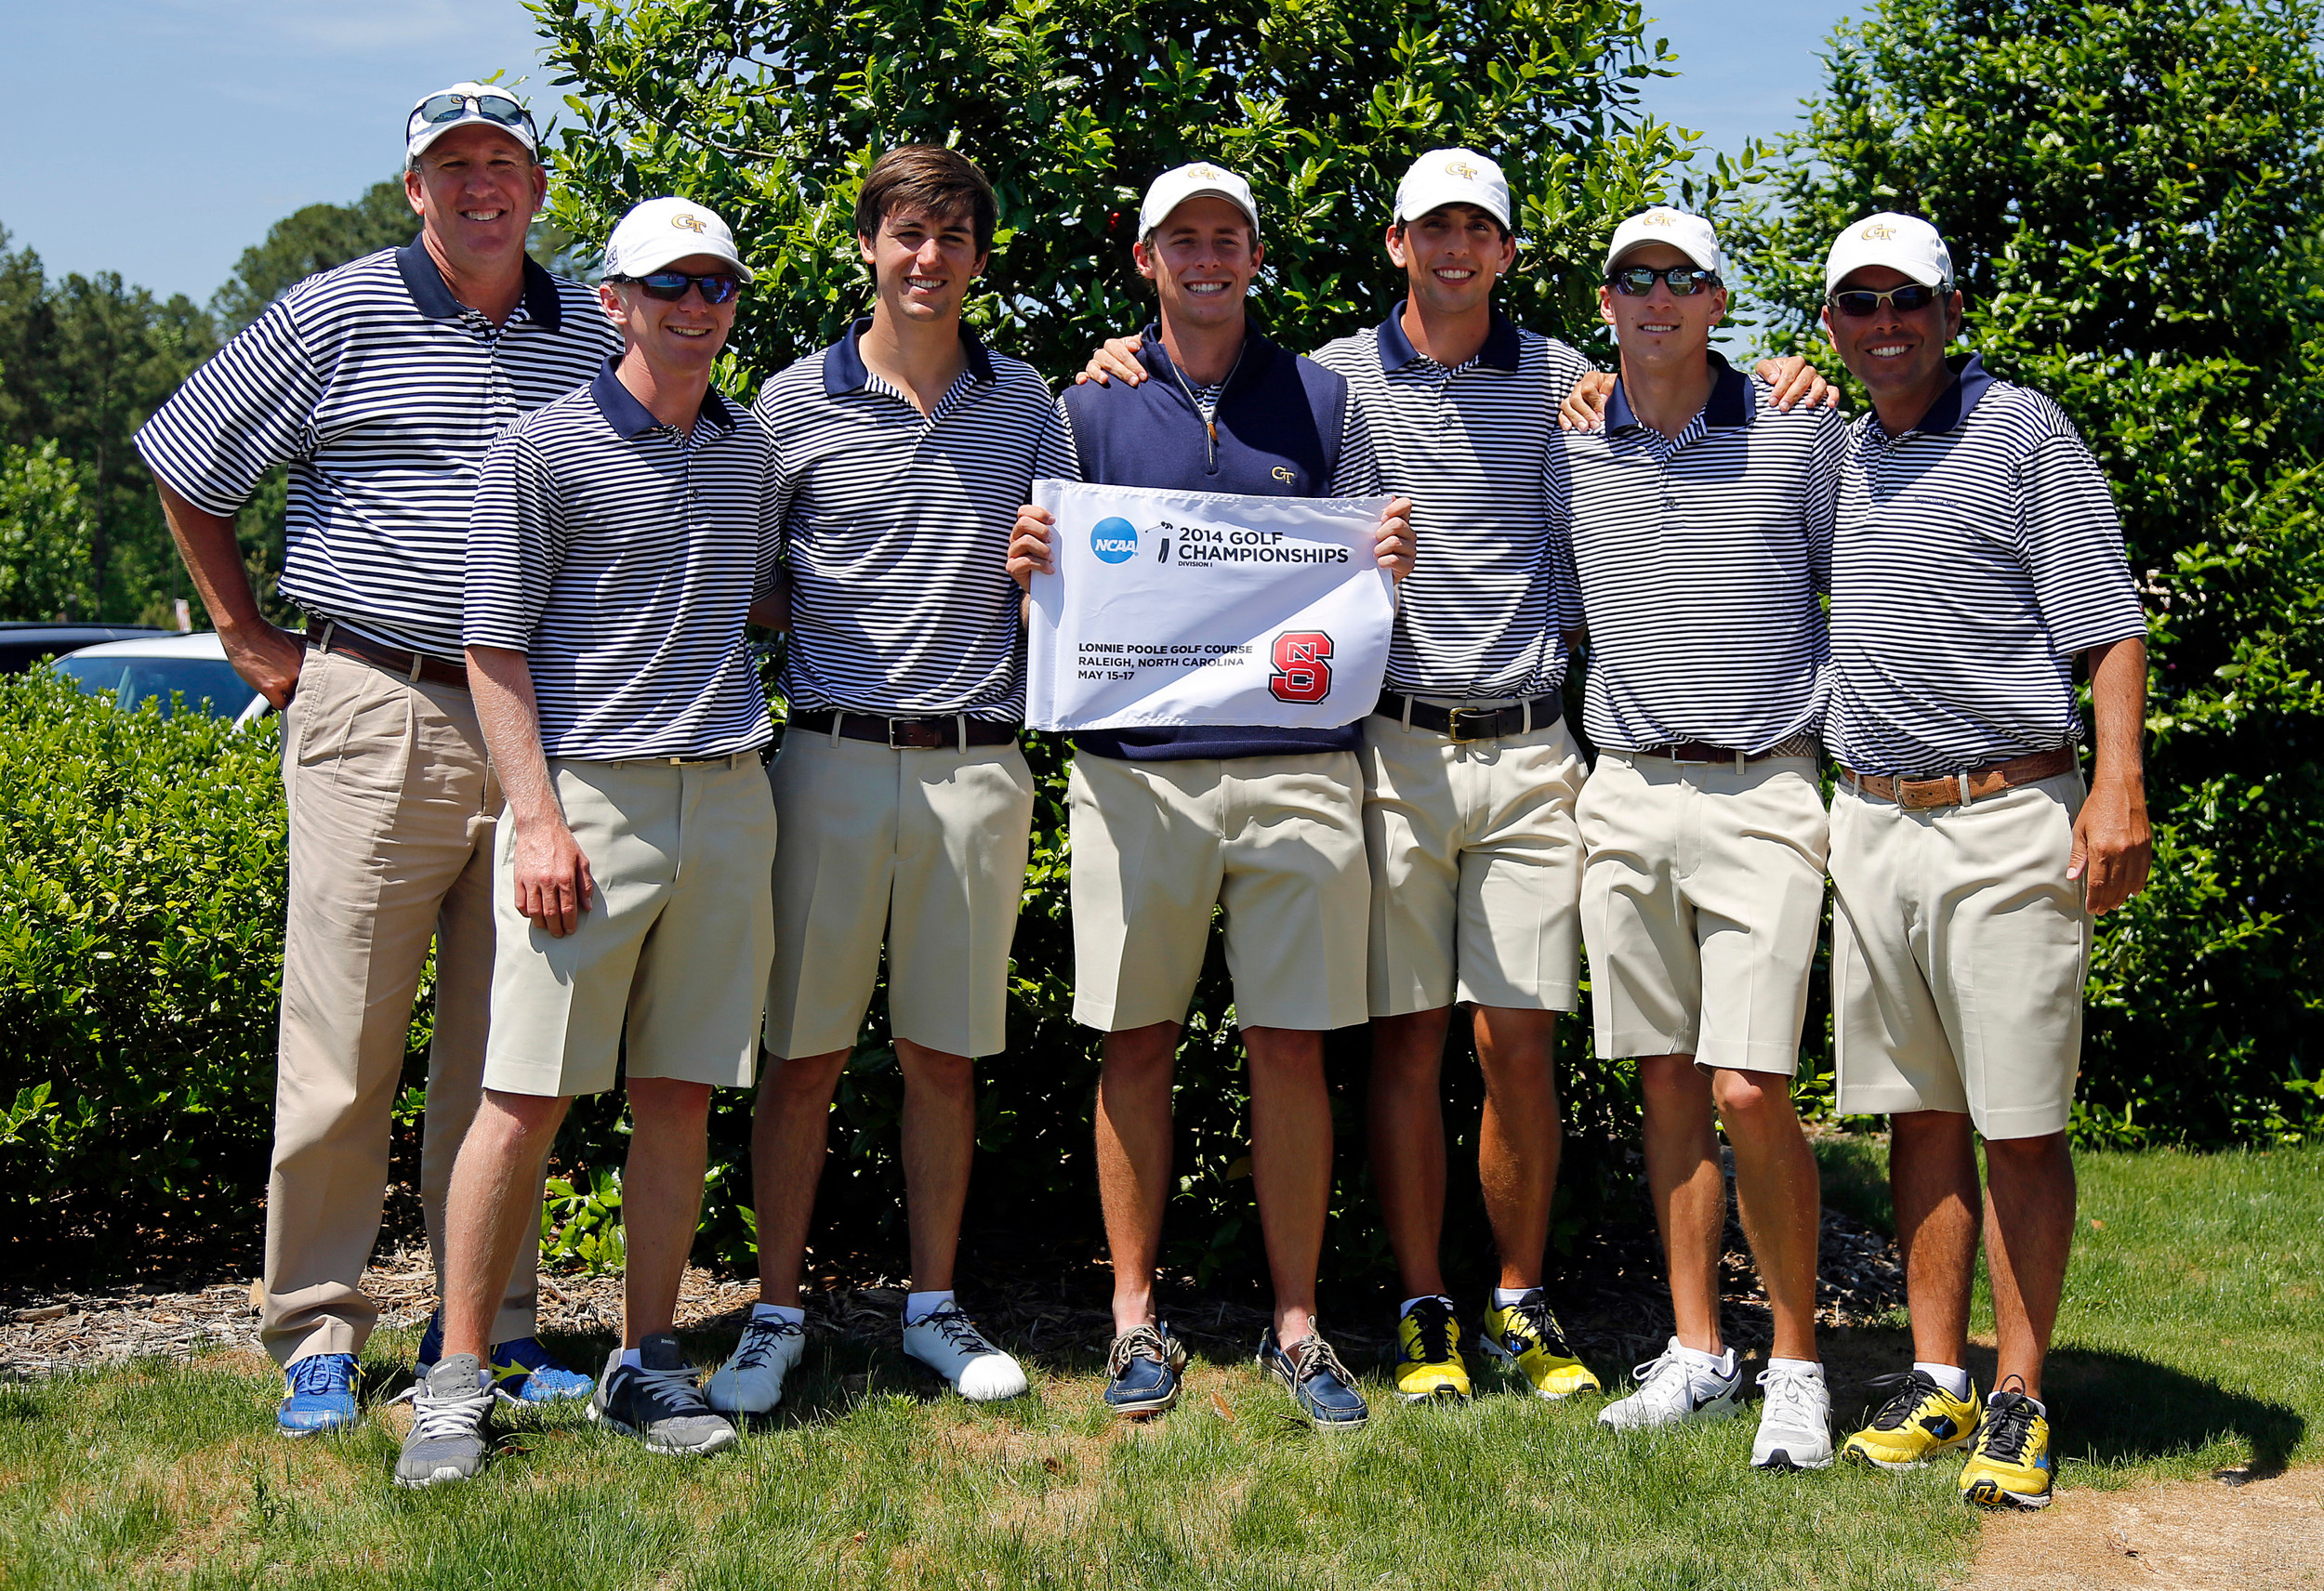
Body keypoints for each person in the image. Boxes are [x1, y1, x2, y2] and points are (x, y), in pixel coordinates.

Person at [1076, 157, 1834, 1404]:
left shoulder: (1563, 385)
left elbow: (1678, 393)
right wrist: (1126, 354)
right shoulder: (1331, 382)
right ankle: (1426, 1307)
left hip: (1537, 751)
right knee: (1408, 1045)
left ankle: (1518, 1303)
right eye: (1435, 228)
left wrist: (1784, 377)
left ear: (1511, 253)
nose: (1456, 248)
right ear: (1395, 243)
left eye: (1480, 228)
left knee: (1518, 1041)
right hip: (1388, 746)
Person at [133, 83, 613, 1435]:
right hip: (378, 704)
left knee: (511, 1052)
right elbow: (186, 457)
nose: (479, 187)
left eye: (502, 163)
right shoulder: (339, 310)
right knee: (342, 1047)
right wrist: (241, 630)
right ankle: (318, 1334)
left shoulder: (589, 327)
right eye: (451, 166)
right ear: (415, 188)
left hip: (541, 725)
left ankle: (492, 1333)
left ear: (536, 185)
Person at [1009, 161, 1415, 1429]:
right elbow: (1045, 576)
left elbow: (1365, 558)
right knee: (1135, 1043)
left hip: (1298, 770)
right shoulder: (1084, 409)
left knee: (1291, 1048)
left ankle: (1297, 1327)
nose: (1206, 258)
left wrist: (1381, 555)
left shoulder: (1325, 399)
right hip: (1137, 781)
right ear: (1145, 261)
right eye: (1181, 240)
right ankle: (1137, 1319)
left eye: (1226, 238)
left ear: (1253, 256)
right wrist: (1029, 560)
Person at [392, 197, 780, 1487]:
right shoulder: (540, 449)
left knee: (677, 1095)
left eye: (716, 286)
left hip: (731, 794)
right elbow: (492, 651)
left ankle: (646, 1359)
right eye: (666, 285)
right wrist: (539, 820)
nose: (694, 307)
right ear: (612, 298)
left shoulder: (747, 450)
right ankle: (455, 1382)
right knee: (523, 1100)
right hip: (590, 805)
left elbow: (768, 590)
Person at [700, 147, 1071, 1418]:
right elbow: (750, 585)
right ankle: (777, 1313)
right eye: (907, 233)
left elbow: (1088, 576)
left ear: (980, 257)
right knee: (798, 1055)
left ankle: (930, 1309)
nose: (928, 257)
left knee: (942, 1055)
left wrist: (1050, 566)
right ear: (868, 245)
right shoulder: (791, 403)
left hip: (977, 765)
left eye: (954, 237)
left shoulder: (1032, 405)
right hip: (830, 761)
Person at [1816, 214, 2150, 1509]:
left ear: (1953, 313)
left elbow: (2107, 620)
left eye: (1909, 301)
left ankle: (2020, 1394)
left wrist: (2116, 786)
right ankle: (1938, 1379)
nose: (1886, 323)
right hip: (1877, 822)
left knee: (2019, 1123)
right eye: (1860, 304)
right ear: (1833, 326)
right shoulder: (1838, 452)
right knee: (1923, 1114)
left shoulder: (2024, 431)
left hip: (2011, 815)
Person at [1550, 207, 1842, 1471]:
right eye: (1634, 280)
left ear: (1720, 300)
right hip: (1622, 789)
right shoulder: (1570, 443)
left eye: (1683, 280)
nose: (1657, 299)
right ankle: (1697, 1351)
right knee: (1666, 1079)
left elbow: (1867, 578)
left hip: (1764, 790)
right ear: (1606, 302)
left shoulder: (1797, 425)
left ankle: (1797, 1366)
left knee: (1749, 1084)